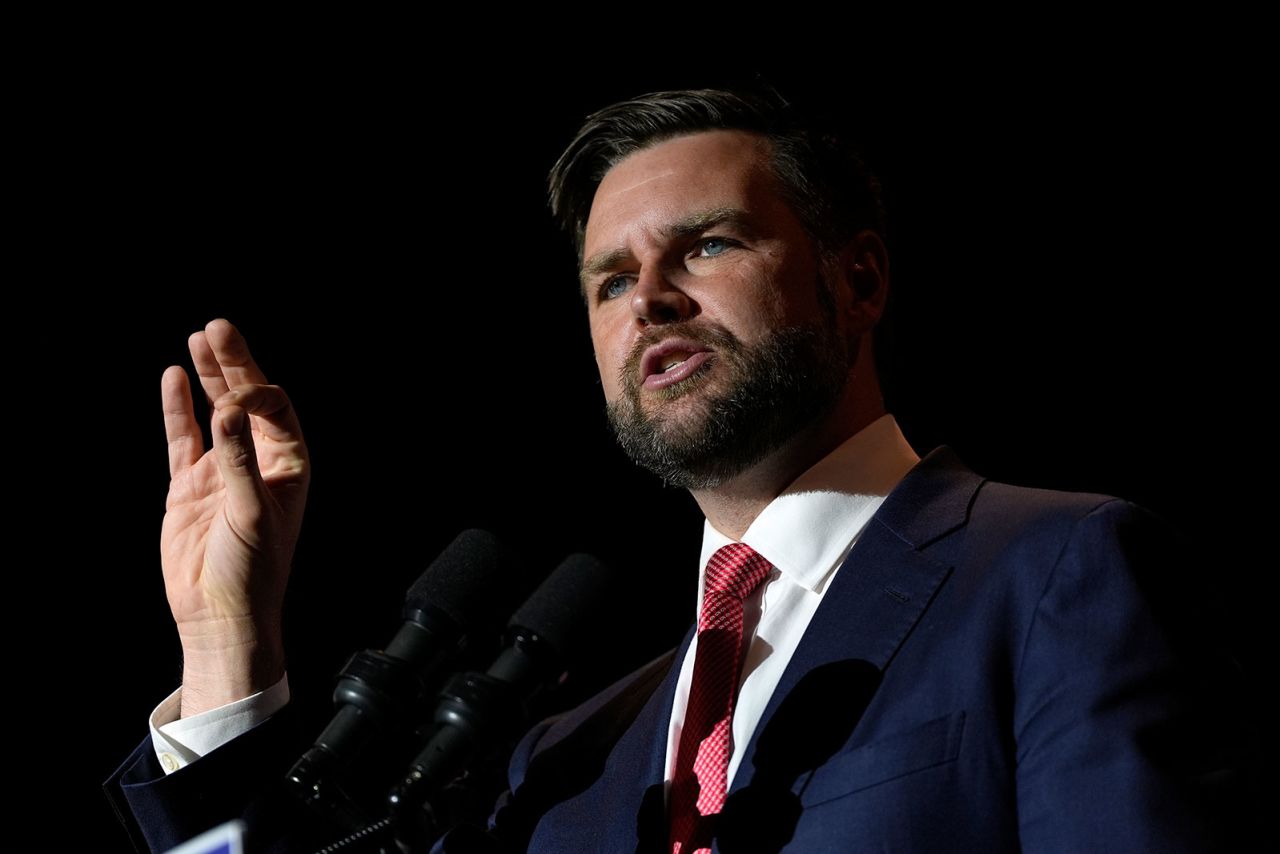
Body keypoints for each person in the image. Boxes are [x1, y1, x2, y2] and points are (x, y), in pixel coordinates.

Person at [104, 86, 1251, 852]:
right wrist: (223, 650)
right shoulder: (563, 750)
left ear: (855, 282)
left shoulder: (1055, 570)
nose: (647, 297)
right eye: (608, 279)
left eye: (704, 245)